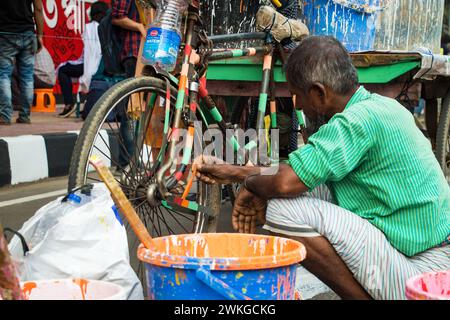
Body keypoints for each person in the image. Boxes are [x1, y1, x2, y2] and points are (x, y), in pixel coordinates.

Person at [194, 36, 450, 300]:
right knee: (305, 187)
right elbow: (300, 171)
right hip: (431, 255)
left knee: (284, 209)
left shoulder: (355, 122)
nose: (298, 105)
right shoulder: (381, 106)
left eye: (298, 96)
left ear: (319, 92)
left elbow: (284, 182)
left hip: (424, 276)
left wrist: (248, 183)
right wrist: (237, 173)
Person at [58, 1, 109, 118]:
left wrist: (88, 72)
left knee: (63, 70)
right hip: (105, 68)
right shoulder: (109, 28)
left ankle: (69, 104)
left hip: (91, 68)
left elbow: (89, 55)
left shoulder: (90, 27)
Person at [0, 0, 44, 125]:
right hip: (27, 33)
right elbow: (38, 9)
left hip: (5, 33)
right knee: (27, 77)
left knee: (3, 74)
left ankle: (5, 116)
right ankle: (25, 116)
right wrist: (40, 35)